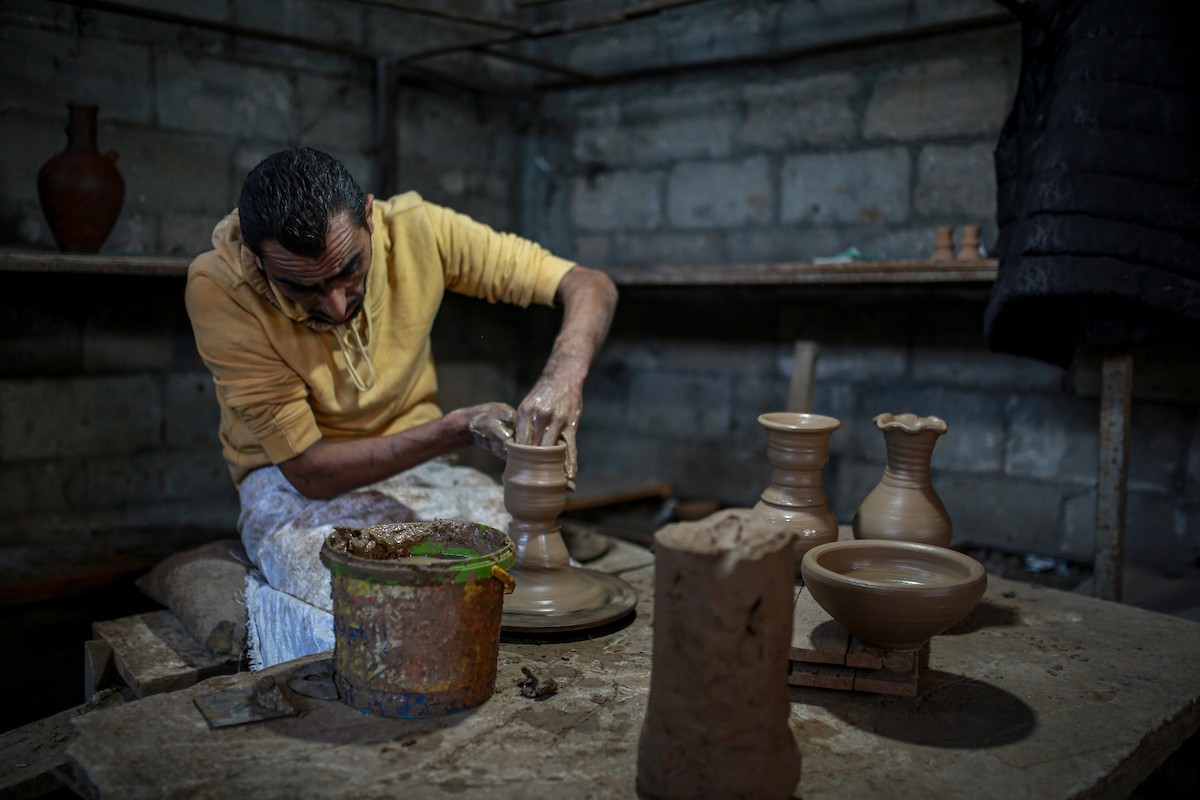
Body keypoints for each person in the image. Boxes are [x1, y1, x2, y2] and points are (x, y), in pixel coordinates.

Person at [185, 147, 617, 668]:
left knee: (509, 562)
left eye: (349, 269)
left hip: (422, 468)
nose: (337, 305)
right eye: (302, 287)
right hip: (290, 483)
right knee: (364, 599)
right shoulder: (219, 287)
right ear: (258, 261)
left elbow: (589, 284)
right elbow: (309, 473)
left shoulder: (417, 229)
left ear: (370, 216)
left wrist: (563, 376)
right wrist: (457, 428)